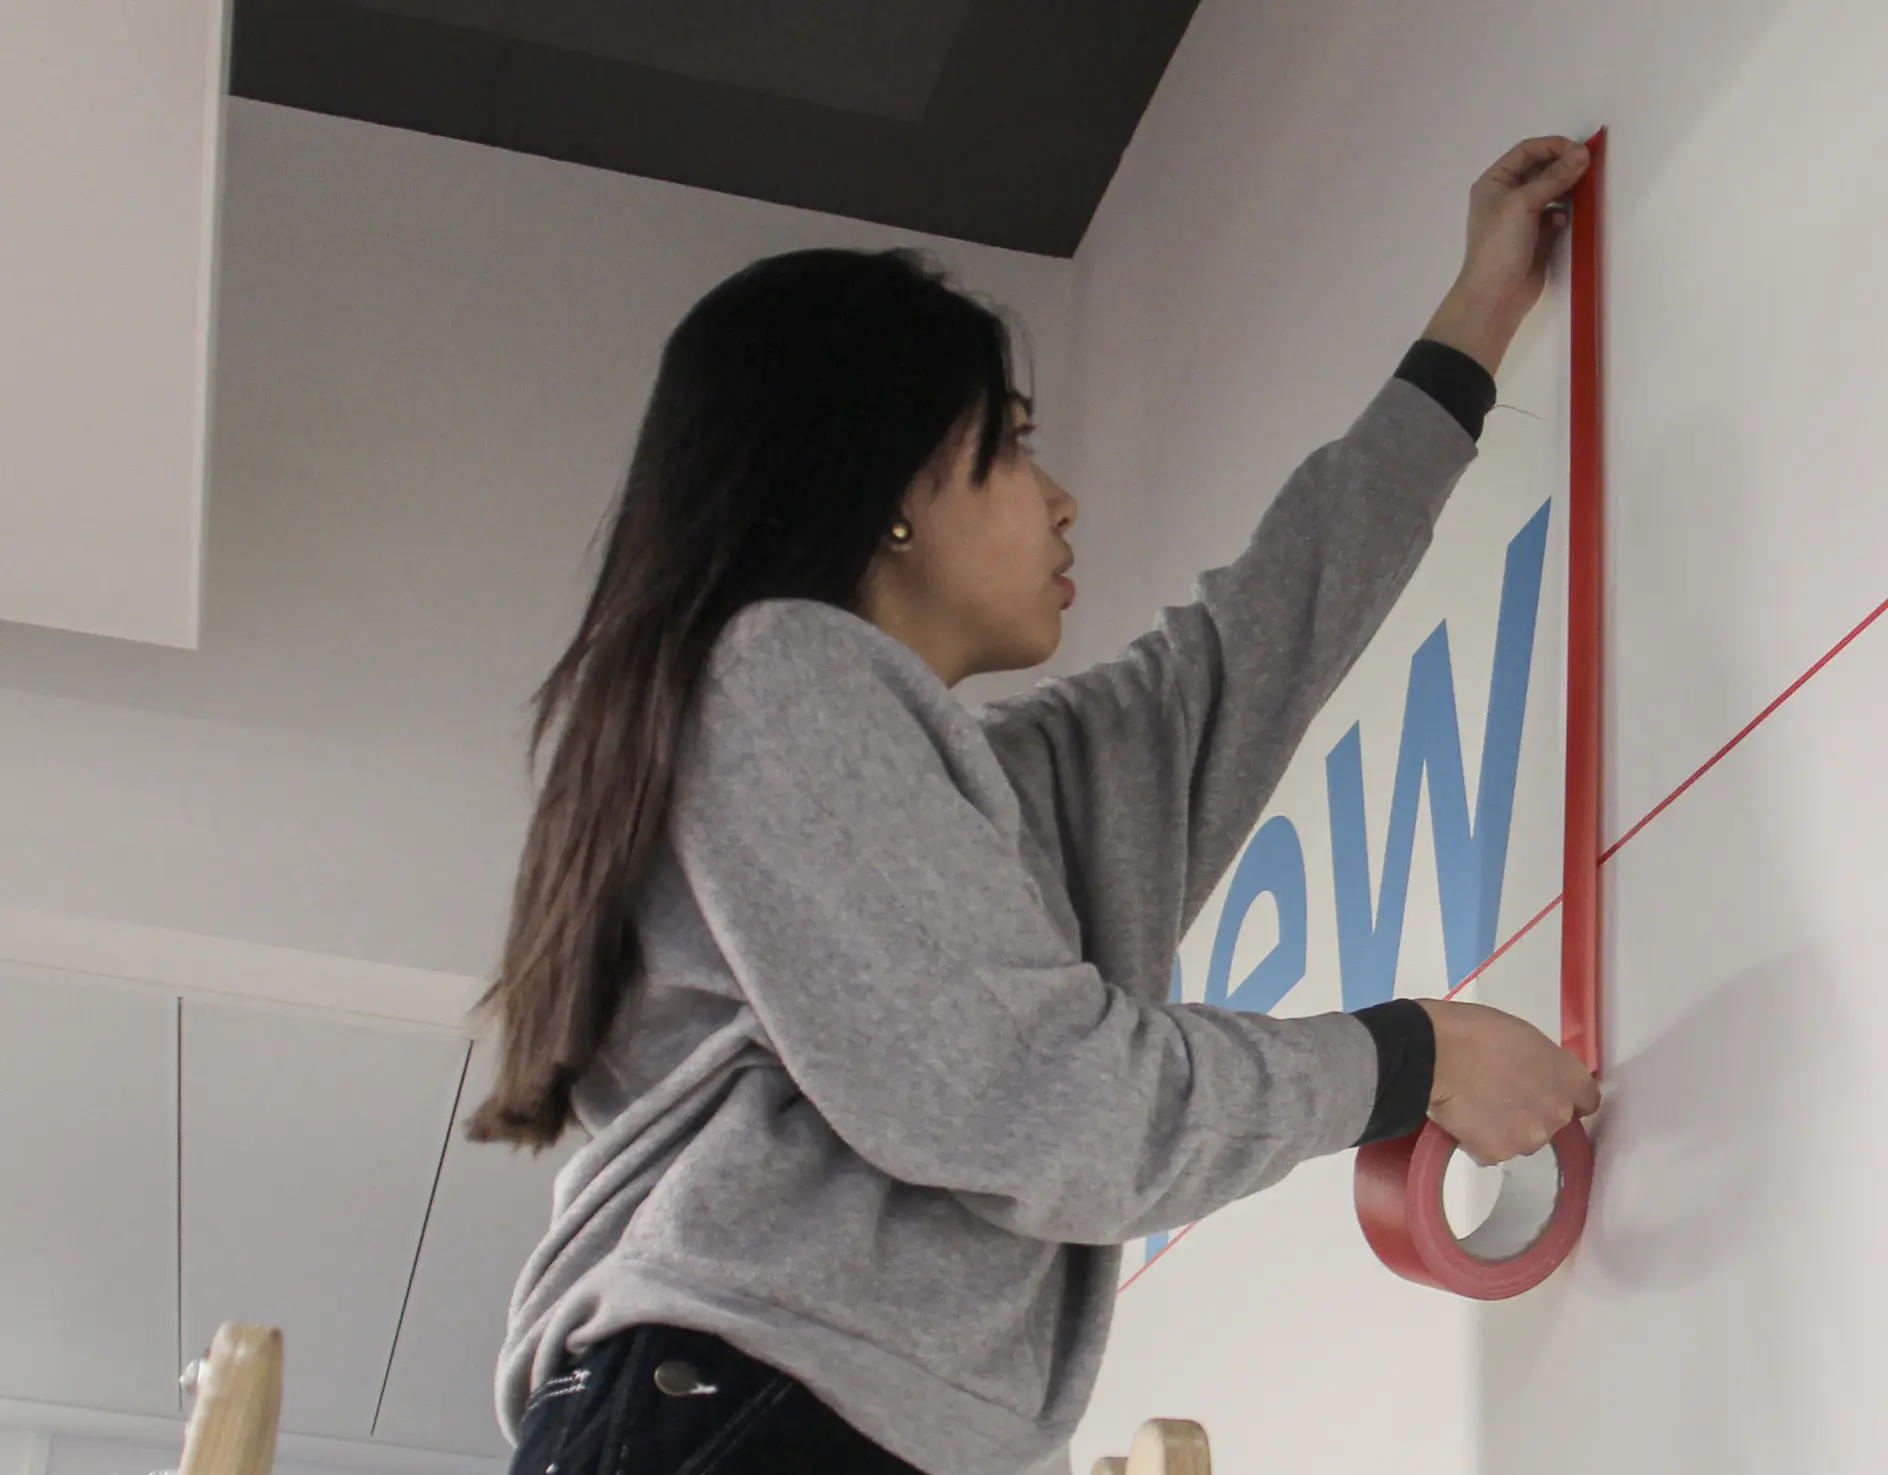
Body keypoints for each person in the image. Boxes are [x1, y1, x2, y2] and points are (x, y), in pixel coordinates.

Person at [469, 136, 1602, 1475]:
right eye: (1006, 448)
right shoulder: (780, 673)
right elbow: (1037, 1101)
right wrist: (1410, 1056)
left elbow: (1258, 637)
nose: (1059, 499)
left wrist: (1475, 321)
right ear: (885, 486)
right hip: (750, 1409)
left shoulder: (997, 792)